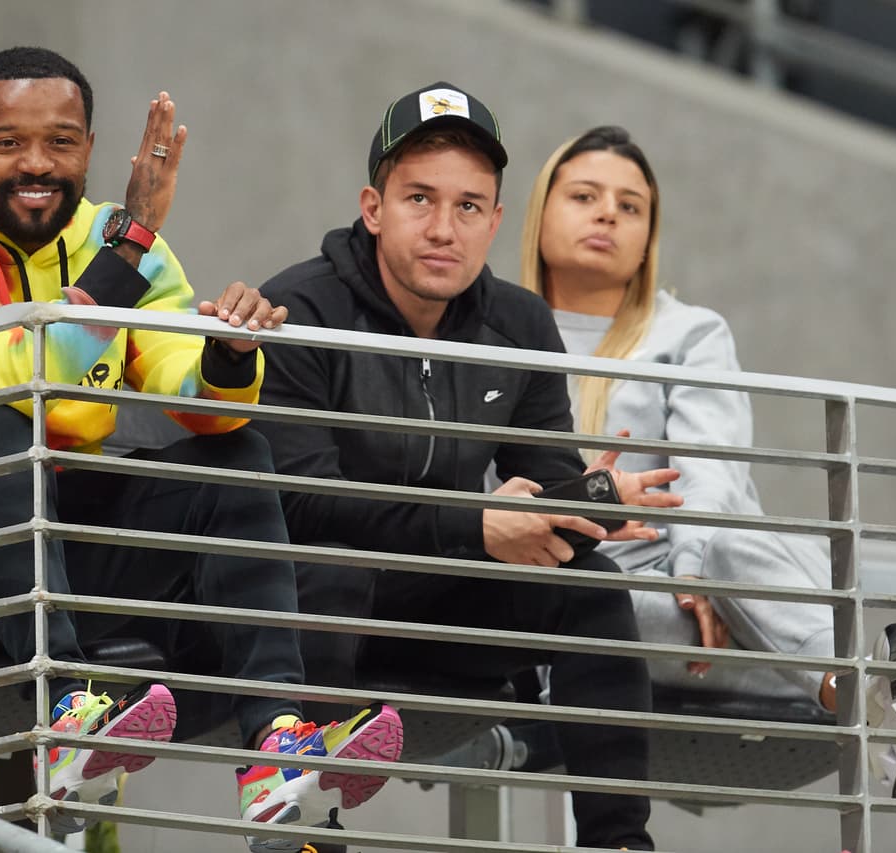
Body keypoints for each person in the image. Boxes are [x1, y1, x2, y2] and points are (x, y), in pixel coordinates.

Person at [0, 47, 401, 849]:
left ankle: (275, 745)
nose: (37, 164)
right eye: (9, 142)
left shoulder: (118, 242)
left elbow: (196, 401)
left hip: (37, 545)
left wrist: (228, 354)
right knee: (3, 432)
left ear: (89, 148)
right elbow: (23, 375)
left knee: (235, 462)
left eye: (60, 142)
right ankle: (68, 717)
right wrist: (128, 249)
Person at [256, 82, 686, 851]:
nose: (442, 228)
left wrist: (588, 500)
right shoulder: (301, 308)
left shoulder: (517, 322)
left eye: (467, 206)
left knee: (590, 587)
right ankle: (305, 836)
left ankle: (619, 842)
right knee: (329, 567)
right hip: (318, 610)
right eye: (420, 198)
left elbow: (542, 478)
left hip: (441, 605)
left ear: (494, 220)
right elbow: (302, 503)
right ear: (373, 207)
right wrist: (474, 523)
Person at [518, 124, 896, 798]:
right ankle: (875, 701)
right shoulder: (497, 330)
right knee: (595, 601)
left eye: (630, 205)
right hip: (601, 590)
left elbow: (713, 472)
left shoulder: (687, 332)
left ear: (649, 235)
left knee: (730, 540)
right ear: (539, 213)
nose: (608, 213)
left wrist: (693, 569)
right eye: (584, 195)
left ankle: (860, 697)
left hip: (705, 572)